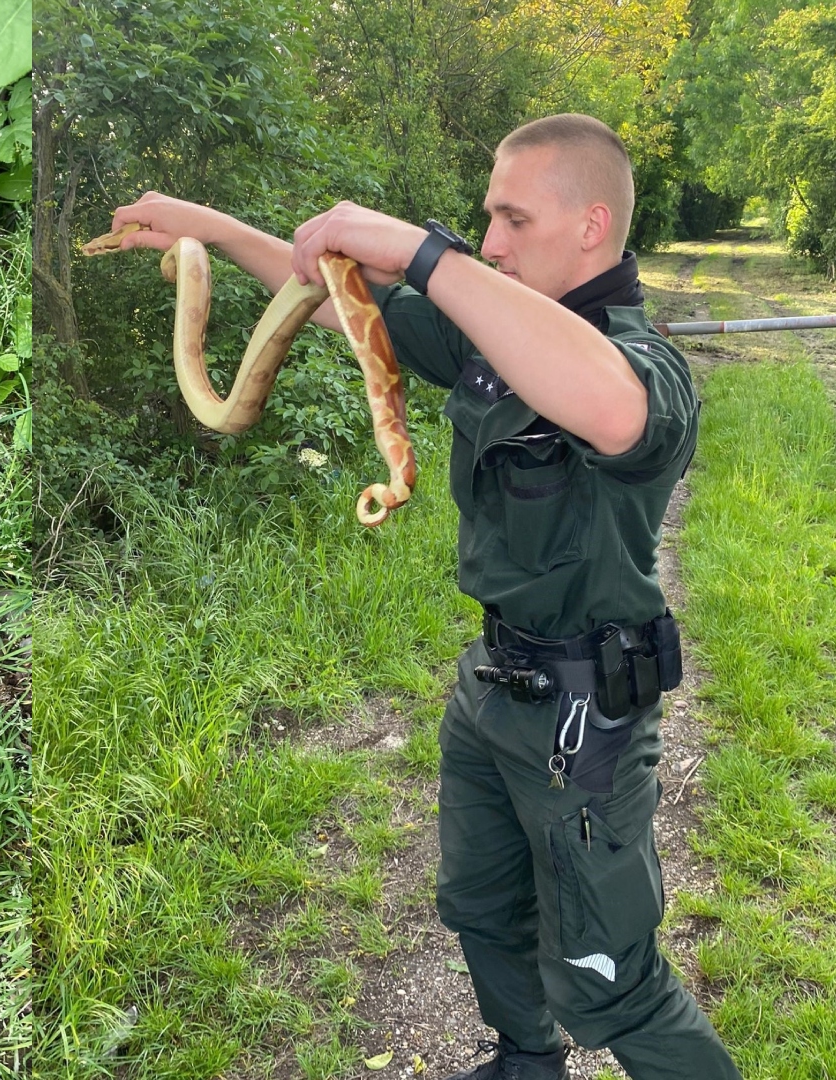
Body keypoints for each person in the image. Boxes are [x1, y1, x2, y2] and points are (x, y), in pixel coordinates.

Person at [103, 114, 741, 1080]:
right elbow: (336, 301)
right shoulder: (487, 334)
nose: (490, 240)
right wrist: (206, 224)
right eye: (485, 218)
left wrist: (423, 250)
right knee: (481, 906)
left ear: (591, 225)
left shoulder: (642, 365)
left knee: (612, 984)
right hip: (491, 686)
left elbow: (611, 407)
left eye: (512, 218)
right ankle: (525, 1061)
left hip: (585, 719)